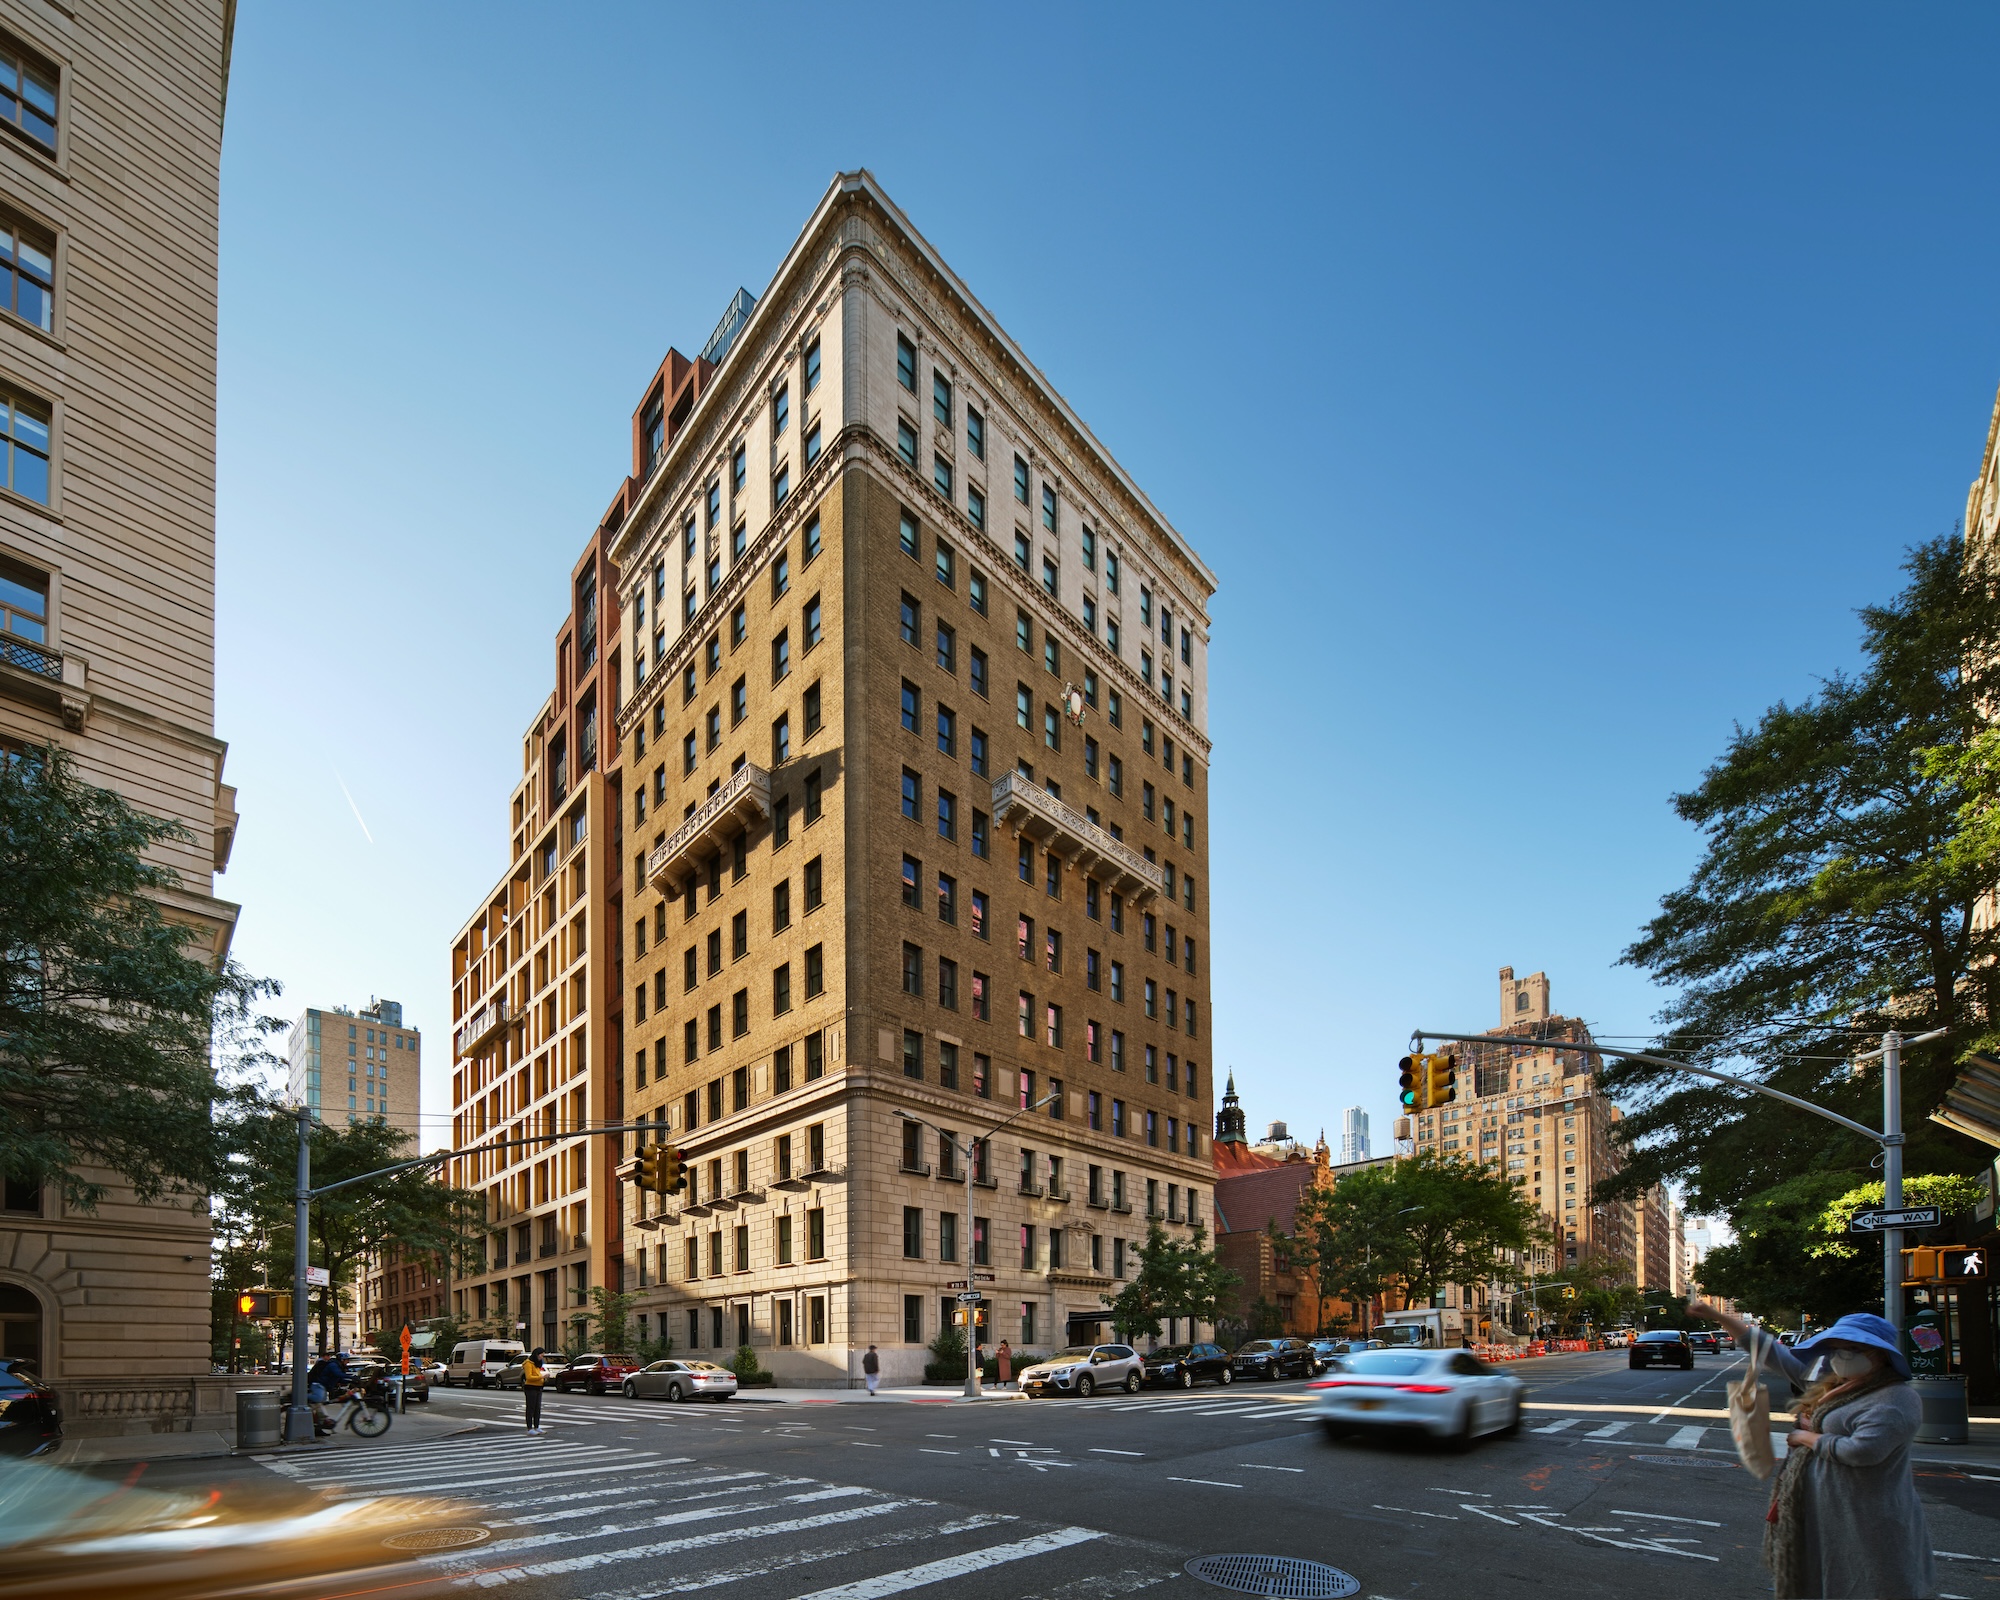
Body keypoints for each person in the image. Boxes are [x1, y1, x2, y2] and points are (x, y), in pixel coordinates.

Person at [1688, 1298, 1935, 1599]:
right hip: (1820, 1512)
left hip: (1864, 1517)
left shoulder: (1895, 1398)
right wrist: (1716, 1315)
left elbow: (1864, 1451)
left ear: (1881, 1356)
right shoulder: (1829, 1384)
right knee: (1819, 1583)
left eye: (1855, 1349)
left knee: (1868, 1584)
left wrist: (1805, 1438)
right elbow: (1768, 1351)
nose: (1842, 1355)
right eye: (1837, 1347)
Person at [306, 1350, 357, 1437]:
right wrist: (351, 1377)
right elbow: (337, 1374)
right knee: (318, 1399)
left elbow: (339, 1378)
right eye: (346, 1360)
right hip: (318, 1385)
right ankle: (301, 1397)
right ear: (342, 1360)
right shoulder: (333, 1365)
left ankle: (318, 1429)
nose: (348, 1362)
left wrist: (350, 1380)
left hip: (323, 1387)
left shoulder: (338, 1366)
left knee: (319, 1407)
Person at [522, 1347, 547, 1433]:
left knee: (537, 1408)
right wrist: (541, 1377)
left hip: (538, 1387)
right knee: (531, 1408)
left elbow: (537, 1374)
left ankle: (537, 1426)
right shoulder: (528, 1364)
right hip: (530, 1387)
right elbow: (529, 1377)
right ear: (536, 1355)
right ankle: (530, 1428)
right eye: (541, 1355)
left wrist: (543, 1379)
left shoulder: (537, 1364)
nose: (541, 1357)